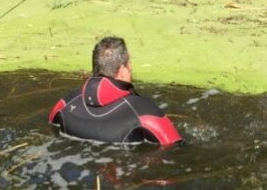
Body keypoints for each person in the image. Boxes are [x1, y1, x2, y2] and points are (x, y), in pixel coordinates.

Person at [49, 36, 182, 148]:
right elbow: (176, 147)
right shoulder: (143, 110)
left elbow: (50, 125)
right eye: (129, 63)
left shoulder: (67, 101)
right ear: (124, 70)